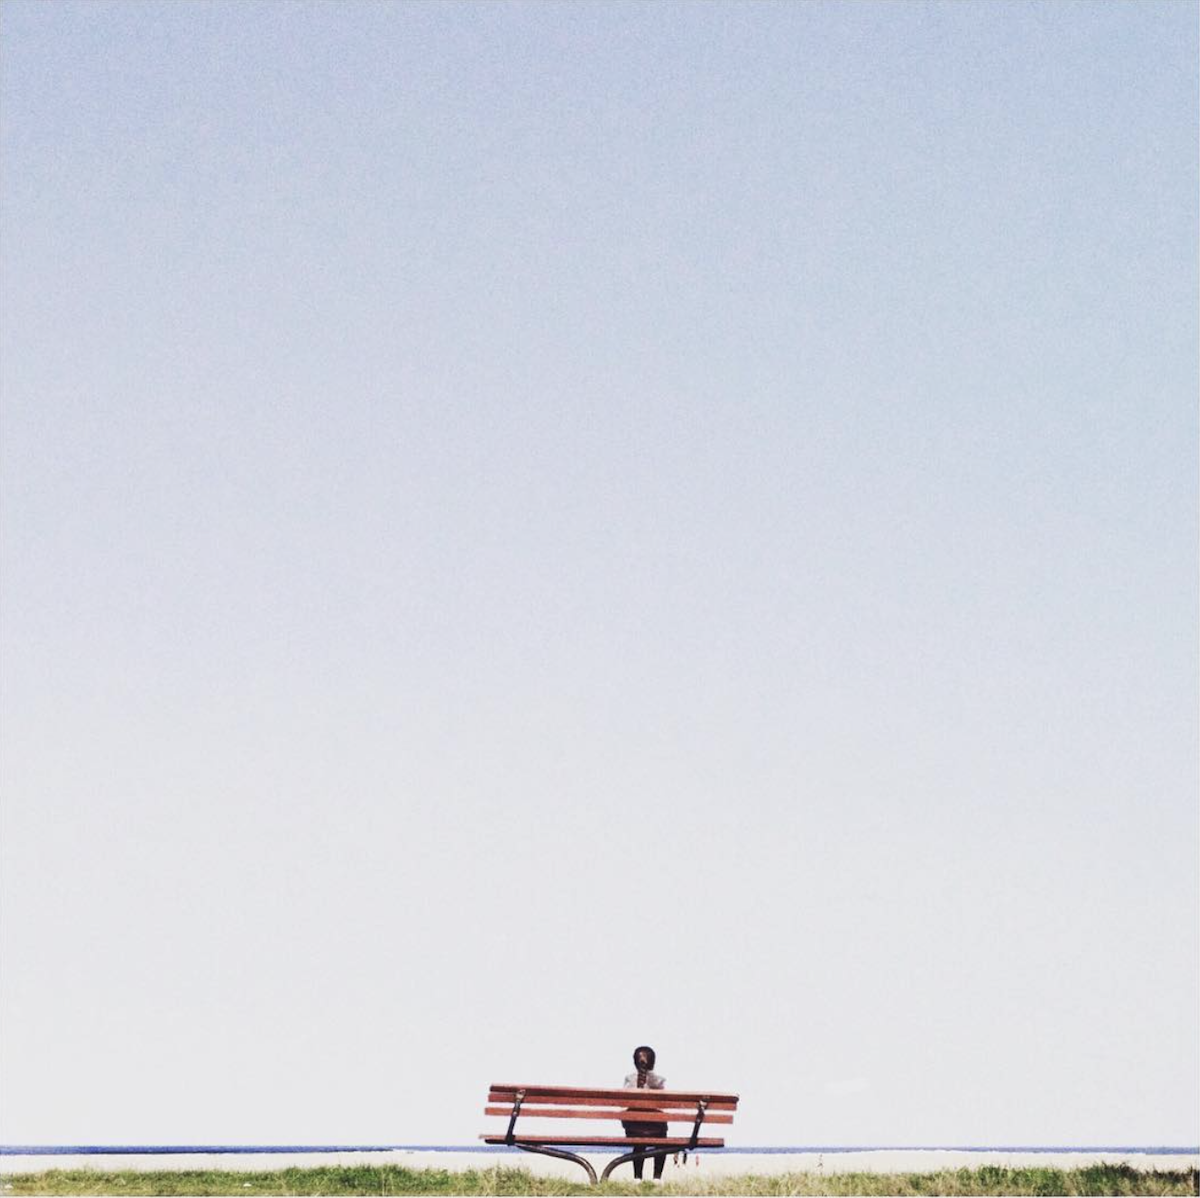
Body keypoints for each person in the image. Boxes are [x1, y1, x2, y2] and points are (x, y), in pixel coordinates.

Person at [621, 1045, 668, 1181]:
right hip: (656, 1128)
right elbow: (663, 1105)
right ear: (653, 1062)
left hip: (633, 1128)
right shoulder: (659, 1081)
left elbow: (624, 1103)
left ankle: (637, 1178)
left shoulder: (629, 1079)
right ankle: (657, 1178)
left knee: (638, 1144)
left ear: (635, 1062)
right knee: (661, 1141)